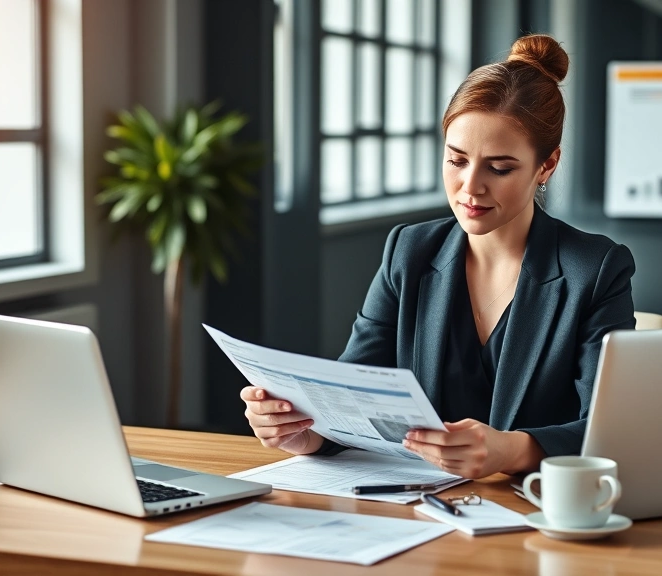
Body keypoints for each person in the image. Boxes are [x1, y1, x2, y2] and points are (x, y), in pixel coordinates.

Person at [240, 34, 635, 479]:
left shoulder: (595, 270)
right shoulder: (409, 251)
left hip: (530, 513)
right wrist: (306, 433)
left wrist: (512, 451)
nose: (471, 187)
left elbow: (610, 429)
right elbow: (353, 394)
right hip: (419, 510)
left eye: (499, 168)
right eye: (456, 160)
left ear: (547, 166)